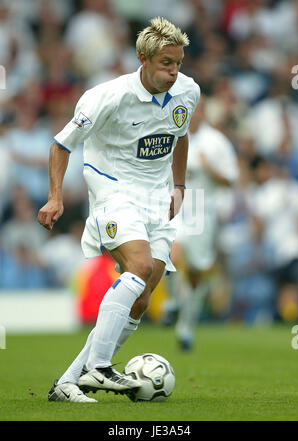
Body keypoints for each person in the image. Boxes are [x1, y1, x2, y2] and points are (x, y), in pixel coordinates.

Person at [38, 17, 200, 403]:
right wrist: (55, 196)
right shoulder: (106, 96)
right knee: (139, 268)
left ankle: (69, 381)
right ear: (143, 59)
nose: (174, 71)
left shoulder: (188, 92)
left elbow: (180, 136)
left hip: (156, 199)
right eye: (165, 63)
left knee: (141, 298)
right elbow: (61, 144)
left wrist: (179, 187)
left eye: (178, 62)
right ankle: (100, 368)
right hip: (113, 192)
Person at [165, 97, 239, 350]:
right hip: (176, 202)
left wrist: (211, 168)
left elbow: (231, 180)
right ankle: (173, 302)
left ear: (203, 112)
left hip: (200, 206)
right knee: (172, 255)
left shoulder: (216, 142)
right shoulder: (172, 134)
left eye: (197, 110)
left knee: (196, 270)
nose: (193, 114)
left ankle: (185, 325)